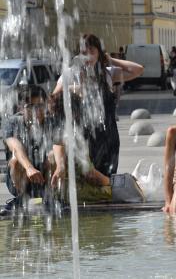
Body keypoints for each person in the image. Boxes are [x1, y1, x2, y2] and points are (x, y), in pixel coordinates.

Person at [51, 34, 144, 187]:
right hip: (83, 133)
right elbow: (53, 99)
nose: (87, 56)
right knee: (88, 175)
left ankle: (105, 198)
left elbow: (138, 70)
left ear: (99, 53)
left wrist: (111, 60)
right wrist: (73, 89)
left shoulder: (107, 73)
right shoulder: (69, 74)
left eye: (92, 51)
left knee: (107, 174)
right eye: (83, 52)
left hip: (108, 133)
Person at [1, 86, 58, 214]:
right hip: (19, 178)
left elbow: (59, 145)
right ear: (21, 107)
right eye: (30, 106)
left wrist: (61, 166)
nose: (36, 111)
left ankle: (50, 196)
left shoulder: (51, 122)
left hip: (44, 176)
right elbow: (15, 146)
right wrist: (29, 168)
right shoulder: (12, 123)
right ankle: (20, 198)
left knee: (54, 155)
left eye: (40, 106)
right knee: (15, 160)